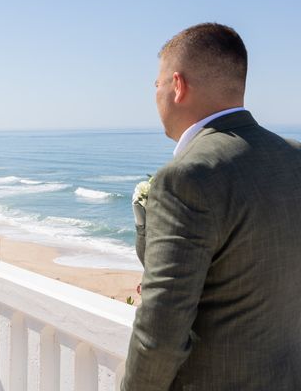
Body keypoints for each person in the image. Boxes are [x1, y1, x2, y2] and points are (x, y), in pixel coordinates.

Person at [123, 23, 301, 390]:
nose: (155, 95)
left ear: (178, 86)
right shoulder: (294, 158)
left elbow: (159, 334)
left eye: (156, 85)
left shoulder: (187, 177)